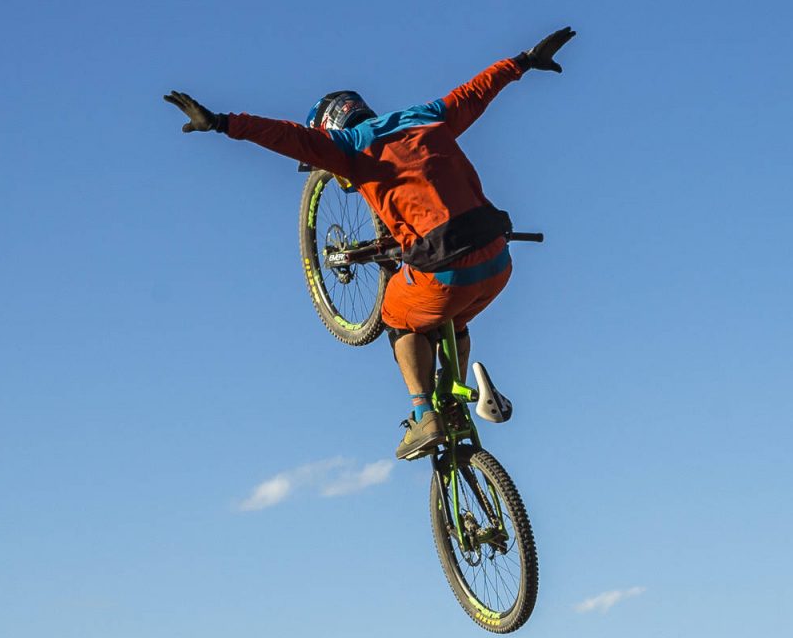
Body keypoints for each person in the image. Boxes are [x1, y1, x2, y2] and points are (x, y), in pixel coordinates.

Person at [166, 26, 577, 461]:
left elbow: (285, 136)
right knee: (452, 318)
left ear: (329, 128)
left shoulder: (348, 147)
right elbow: (477, 90)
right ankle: (453, 400)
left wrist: (221, 123)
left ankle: (424, 416)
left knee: (397, 317)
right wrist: (522, 61)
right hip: (499, 263)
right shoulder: (429, 115)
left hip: (446, 274)